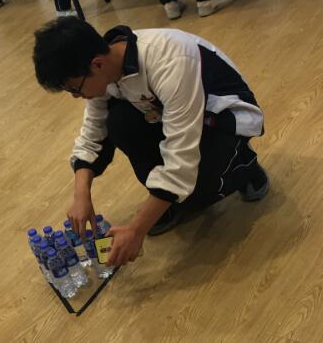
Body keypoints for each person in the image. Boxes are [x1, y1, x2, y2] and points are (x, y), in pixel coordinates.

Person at [33, 17, 269, 266]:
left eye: (75, 89)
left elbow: (181, 161)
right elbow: (93, 132)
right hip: (169, 117)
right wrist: (81, 195)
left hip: (223, 119)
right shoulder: (105, 68)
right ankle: (166, 202)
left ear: (97, 64)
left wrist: (136, 229)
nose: (75, 96)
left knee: (197, 193)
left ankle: (244, 165)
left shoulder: (170, 61)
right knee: (119, 121)